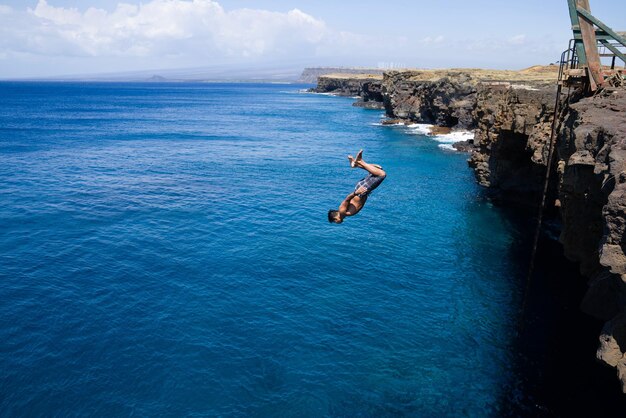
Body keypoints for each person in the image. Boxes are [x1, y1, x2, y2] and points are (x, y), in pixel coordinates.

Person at [328, 150, 386, 224]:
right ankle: (355, 164)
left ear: (335, 219)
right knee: (378, 170)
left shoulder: (342, 211)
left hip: (360, 191)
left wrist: (356, 193)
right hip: (362, 191)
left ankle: (360, 161)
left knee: (382, 175)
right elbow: (359, 203)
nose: (337, 223)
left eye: (335, 222)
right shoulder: (345, 213)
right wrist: (366, 194)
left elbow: (347, 199)